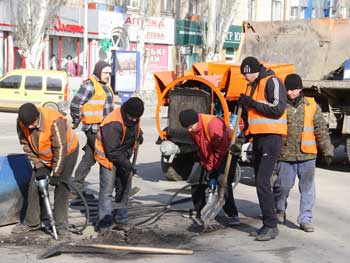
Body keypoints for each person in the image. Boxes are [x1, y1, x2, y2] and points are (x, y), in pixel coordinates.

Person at [273, 74, 334, 232]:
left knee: (307, 190)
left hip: (307, 156)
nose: (290, 93)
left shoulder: (312, 106)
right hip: (285, 155)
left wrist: (327, 150)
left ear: (300, 89)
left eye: (293, 89)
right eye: (288, 89)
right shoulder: (280, 106)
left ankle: (305, 219)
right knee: (282, 187)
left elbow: (321, 130)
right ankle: (279, 210)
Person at [237, 56, 287, 241]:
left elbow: (278, 108)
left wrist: (252, 104)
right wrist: (243, 137)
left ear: (252, 70)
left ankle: (271, 226)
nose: (244, 78)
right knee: (260, 182)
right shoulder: (253, 85)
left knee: (262, 181)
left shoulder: (272, 81)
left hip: (271, 138)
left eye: (245, 74)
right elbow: (254, 116)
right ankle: (267, 224)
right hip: (258, 138)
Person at [12, 103, 79, 236]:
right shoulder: (21, 123)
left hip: (66, 153)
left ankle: (61, 225)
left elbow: (60, 149)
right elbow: (26, 145)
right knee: (34, 185)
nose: (30, 127)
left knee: (61, 188)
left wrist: (56, 174)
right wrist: (39, 166)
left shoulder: (54, 121)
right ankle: (33, 222)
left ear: (38, 117)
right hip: (43, 156)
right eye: (27, 125)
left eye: (32, 124)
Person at [178, 109, 240, 226]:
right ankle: (200, 210)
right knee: (196, 179)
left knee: (223, 181)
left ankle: (232, 214)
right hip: (210, 153)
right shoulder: (192, 128)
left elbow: (220, 151)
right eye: (187, 128)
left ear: (197, 121)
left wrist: (213, 168)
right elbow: (200, 148)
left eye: (191, 127)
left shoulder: (213, 125)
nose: (189, 130)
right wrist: (206, 164)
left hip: (228, 151)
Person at [94, 97, 144, 231]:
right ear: (126, 111)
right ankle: (104, 222)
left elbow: (134, 128)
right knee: (107, 192)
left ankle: (121, 219)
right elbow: (112, 152)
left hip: (123, 156)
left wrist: (139, 135)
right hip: (108, 158)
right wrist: (128, 166)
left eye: (137, 117)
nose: (134, 120)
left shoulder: (134, 117)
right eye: (132, 117)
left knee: (124, 188)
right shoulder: (113, 123)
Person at [70, 61, 115, 197]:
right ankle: (114, 188)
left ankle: (76, 188)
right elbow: (75, 104)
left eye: (109, 73)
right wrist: (77, 119)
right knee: (107, 156)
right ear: (98, 72)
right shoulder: (90, 86)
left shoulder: (105, 86)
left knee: (89, 157)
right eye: (105, 73)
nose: (108, 75)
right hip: (94, 129)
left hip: (104, 128)